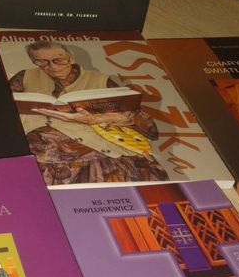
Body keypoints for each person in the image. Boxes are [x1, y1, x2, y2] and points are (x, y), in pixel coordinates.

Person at [9, 41, 169, 185]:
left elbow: (147, 127)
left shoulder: (101, 81)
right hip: (36, 146)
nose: (52, 66)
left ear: (71, 58)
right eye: (41, 62)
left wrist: (94, 118)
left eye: (59, 60)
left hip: (90, 147)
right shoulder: (25, 76)